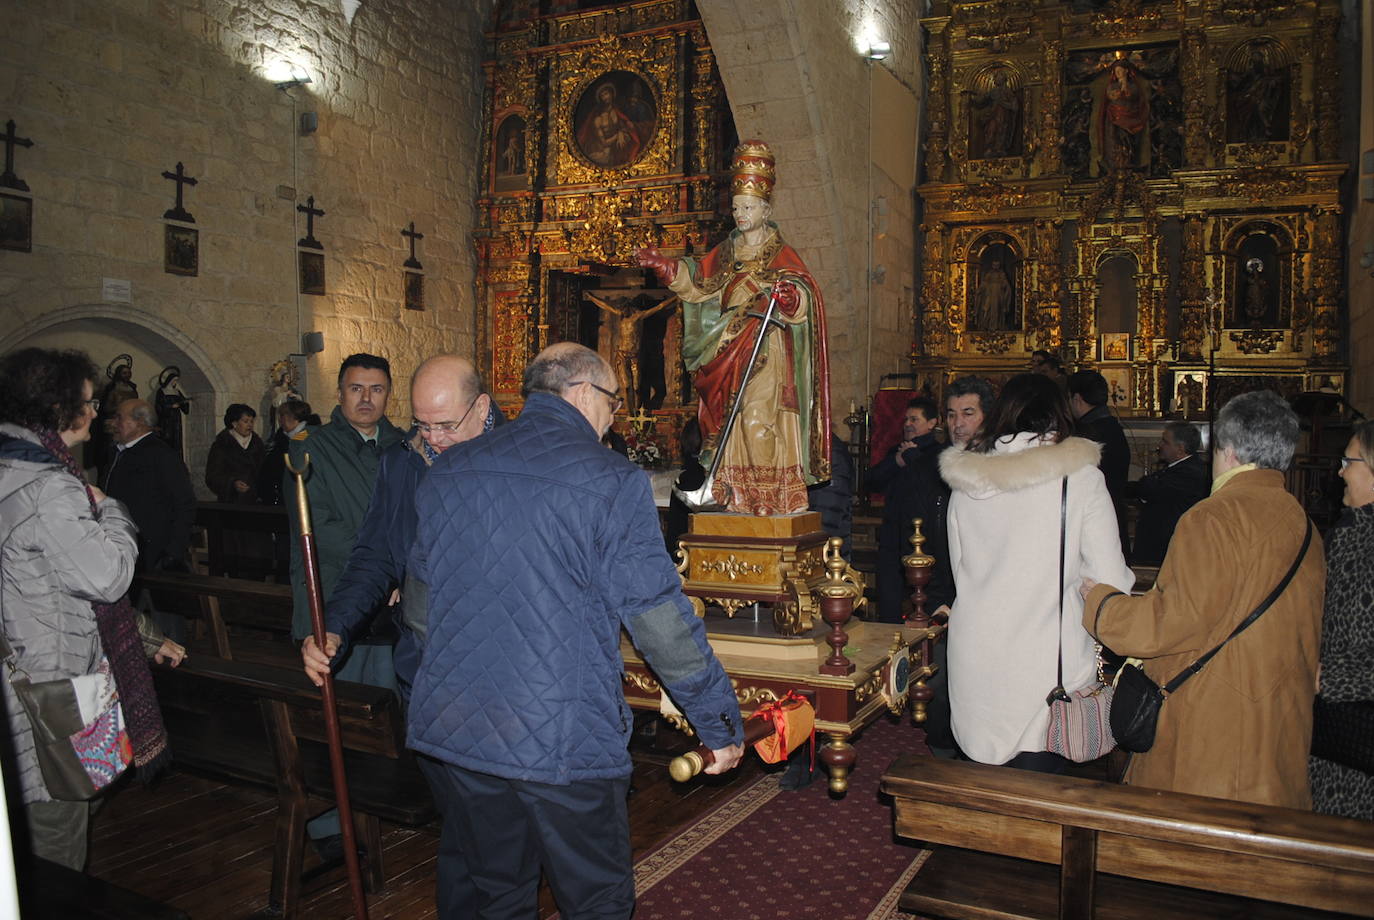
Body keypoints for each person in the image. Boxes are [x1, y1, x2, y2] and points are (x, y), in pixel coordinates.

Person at [409, 343, 743, 919]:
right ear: (585, 393)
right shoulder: (611, 480)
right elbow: (658, 618)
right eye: (613, 403)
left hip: (460, 732)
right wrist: (716, 720)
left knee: (498, 893)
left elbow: (419, 612)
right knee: (595, 899)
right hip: (562, 735)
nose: (613, 418)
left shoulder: (450, 471)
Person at [301, 355, 501, 914]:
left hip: (502, 675)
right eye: (422, 425)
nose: (433, 440)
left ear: (481, 409)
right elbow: (373, 556)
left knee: (496, 826)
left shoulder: (518, 459)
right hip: (428, 669)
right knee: (460, 817)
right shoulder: (403, 463)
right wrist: (334, 626)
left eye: (447, 425)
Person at [1082, 390, 1324, 808]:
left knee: (1202, 852)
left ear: (1225, 449)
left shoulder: (1211, 518)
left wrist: (1100, 602)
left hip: (1216, 730)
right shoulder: (1305, 526)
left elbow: (1167, 626)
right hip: (1280, 723)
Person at [0, 348, 182, 871]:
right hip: (48, 682)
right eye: (88, 399)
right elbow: (107, 578)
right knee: (60, 820)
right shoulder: (50, 485)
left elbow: (47, 582)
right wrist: (112, 512)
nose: (95, 409)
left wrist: (145, 637)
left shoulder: (12, 464)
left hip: (23, 662)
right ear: (60, 408)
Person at [941, 373, 1133, 772]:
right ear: (1059, 416)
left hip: (975, 652)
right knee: (1040, 805)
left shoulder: (967, 479)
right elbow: (1111, 582)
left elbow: (962, 572)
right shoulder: (1079, 478)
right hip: (1045, 665)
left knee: (982, 788)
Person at [637, 139, 831, 516]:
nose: (740, 214)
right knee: (736, 424)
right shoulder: (726, 251)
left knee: (760, 421)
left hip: (765, 349)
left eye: (748, 207)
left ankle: (771, 499)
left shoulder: (781, 255)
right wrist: (665, 267)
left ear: (766, 208)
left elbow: (806, 296)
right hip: (726, 351)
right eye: (737, 207)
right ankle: (740, 498)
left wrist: (790, 298)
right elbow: (697, 283)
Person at [286, 354, 403, 687]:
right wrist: (386, 568)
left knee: (388, 707)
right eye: (356, 388)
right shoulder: (309, 448)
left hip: (393, 606)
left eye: (376, 389)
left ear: (388, 394)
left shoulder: (405, 447)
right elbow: (318, 526)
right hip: (334, 594)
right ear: (340, 393)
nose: (366, 398)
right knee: (344, 703)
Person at [1309, 420, 1374, 818]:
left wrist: (1328, 676)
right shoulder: (1351, 533)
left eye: (1348, 461)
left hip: (1358, 733)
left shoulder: (1358, 538)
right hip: (1338, 730)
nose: (1340, 471)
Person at [868, 397, 949, 624]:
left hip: (925, 539)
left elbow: (933, 486)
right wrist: (896, 461)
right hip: (893, 535)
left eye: (915, 419)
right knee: (889, 599)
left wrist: (913, 459)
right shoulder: (897, 451)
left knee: (928, 601)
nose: (907, 424)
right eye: (906, 419)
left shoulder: (940, 453)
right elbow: (872, 481)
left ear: (932, 423)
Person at [104, 399, 196, 573]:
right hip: (121, 544)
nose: (113, 423)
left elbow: (185, 503)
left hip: (152, 551)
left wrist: (173, 552)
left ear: (139, 422)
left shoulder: (161, 454)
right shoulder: (118, 453)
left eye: (119, 418)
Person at [1127, 421, 1208, 565]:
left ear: (1180, 448)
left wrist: (1144, 487)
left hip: (1166, 546)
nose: (1160, 445)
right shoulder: (1177, 468)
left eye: (1165, 442)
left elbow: (1149, 488)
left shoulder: (1189, 472)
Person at [1067, 369, 1130, 549]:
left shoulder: (1087, 433)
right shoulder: (1112, 427)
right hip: (1113, 514)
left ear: (1077, 399)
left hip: (1094, 522)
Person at [258, 399, 314, 506]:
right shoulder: (282, 438)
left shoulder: (308, 436)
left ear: (294, 417)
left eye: (283, 415)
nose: (279, 420)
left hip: (300, 497)